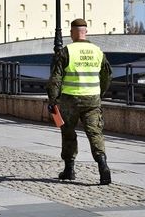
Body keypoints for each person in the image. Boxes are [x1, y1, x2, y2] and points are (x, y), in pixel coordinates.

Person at [46, 18, 113, 185]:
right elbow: (107, 75)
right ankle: (102, 165)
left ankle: (69, 169)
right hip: (92, 100)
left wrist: (53, 99)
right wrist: (100, 93)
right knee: (95, 133)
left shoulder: (66, 51)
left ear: (71, 33)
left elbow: (56, 78)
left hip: (70, 100)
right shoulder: (97, 51)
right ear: (86, 31)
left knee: (68, 134)